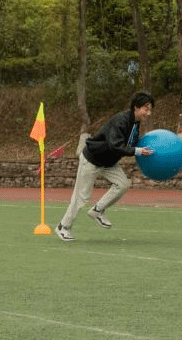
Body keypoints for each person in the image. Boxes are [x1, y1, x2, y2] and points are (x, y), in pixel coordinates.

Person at [55, 91, 156, 242]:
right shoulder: (120, 120)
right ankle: (63, 227)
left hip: (108, 162)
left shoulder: (135, 123)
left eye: (150, 109)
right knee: (81, 197)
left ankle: (98, 210)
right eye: (146, 109)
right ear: (136, 107)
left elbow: (130, 143)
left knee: (122, 184)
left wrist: (144, 147)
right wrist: (138, 151)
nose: (148, 113)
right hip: (92, 159)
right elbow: (115, 145)